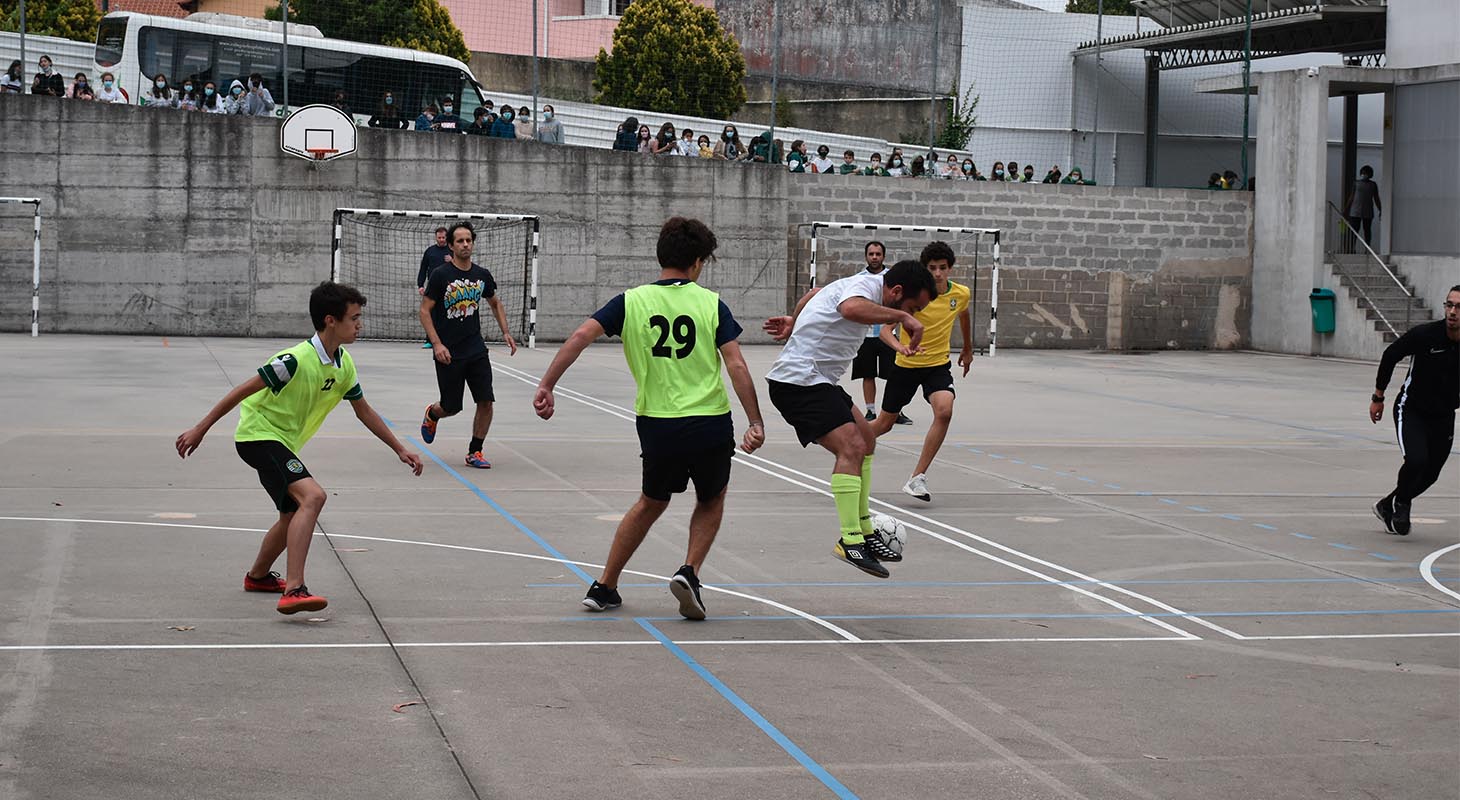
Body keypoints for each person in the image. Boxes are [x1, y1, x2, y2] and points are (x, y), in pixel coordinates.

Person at [534, 217, 766, 619]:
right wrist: (755, 420)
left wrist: (547, 385)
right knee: (711, 498)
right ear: (696, 262)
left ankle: (605, 585)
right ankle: (689, 572)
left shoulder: (631, 301)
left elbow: (579, 337)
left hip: (658, 422)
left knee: (651, 501)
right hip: (709, 420)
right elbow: (737, 365)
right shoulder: (711, 304)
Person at [174, 282, 424, 615]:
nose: (359, 324)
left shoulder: (343, 363)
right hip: (258, 436)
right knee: (314, 496)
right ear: (330, 320)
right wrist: (200, 428)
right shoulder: (293, 361)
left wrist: (398, 448)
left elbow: (363, 409)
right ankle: (294, 589)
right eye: (354, 317)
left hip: (281, 443)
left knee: (290, 513)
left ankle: (258, 576)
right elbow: (242, 391)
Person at [762, 260, 936, 578]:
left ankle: (865, 531)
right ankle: (851, 540)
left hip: (819, 381)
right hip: (798, 382)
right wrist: (901, 316)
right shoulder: (867, 289)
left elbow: (816, 292)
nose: (915, 315)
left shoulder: (863, 283)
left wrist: (793, 322)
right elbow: (851, 309)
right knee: (852, 447)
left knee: (867, 441)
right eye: (913, 306)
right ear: (895, 292)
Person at [868, 243, 973, 503]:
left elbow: (963, 315)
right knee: (884, 424)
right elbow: (884, 330)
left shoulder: (960, 294)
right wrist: (900, 347)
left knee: (945, 411)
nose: (938, 273)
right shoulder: (915, 296)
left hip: (937, 366)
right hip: (906, 367)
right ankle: (847, 446)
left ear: (950, 268)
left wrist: (968, 348)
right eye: (932, 268)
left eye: (943, 268)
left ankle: (918, 477)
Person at [418, 222, 518, 469]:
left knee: (486, 401)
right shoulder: (441, 275)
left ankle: (475, 451)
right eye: (460, 241)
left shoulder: (481, 275)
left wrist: (505, 331)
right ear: (450, 245)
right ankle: (433, 413)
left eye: (468, 240)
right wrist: (437, 344)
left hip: (475, 348)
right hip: (448, 351)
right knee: (451, 407)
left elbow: (495, 303)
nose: (465, 244)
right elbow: (424, 311)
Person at [1369, 286, 1459, 536]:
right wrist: (1378, 396)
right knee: (1417, 460)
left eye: (1459, 307)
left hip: (1443, 415)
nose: (1453, 312)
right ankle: (1403, 503)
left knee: (1431, 474)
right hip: (1412, 410)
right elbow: (1391, 354)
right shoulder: (1426, 335)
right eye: (1449, 305)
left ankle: (1387, 504)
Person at [845, 241, 911, 426]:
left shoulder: (892, 278)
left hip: (887, 335)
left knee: (894, 375)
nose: (874, 257)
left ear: (883, 256)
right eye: (871, 254)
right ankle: (871, 411)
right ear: (866, 256)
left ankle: (894, 411)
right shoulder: (858, 279)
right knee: (868, 374)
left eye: (878, 254)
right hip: (866, 336)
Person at [416, 226, 452, 348]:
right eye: (439, 237)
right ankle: (429, 340)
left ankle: (448, 340)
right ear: (436, 237)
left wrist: (452, 260)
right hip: (433, 288)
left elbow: (463, 264)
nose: (442, 240)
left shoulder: (453, 250)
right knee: (430, 313)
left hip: (450, 287)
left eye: (444, 237)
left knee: (449, 313)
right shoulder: (430, 251)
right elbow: (423, 269)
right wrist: (420, 285)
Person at [1344, 165, 1382, 251]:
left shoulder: (1373, 185)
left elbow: (1376, 198)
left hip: (1367, 211)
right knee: (1354, 231)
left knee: (1367, 231)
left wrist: (1380, 209)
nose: (1364, 175)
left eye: (1366, 173)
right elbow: (1351, 197)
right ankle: (1351, 248)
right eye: (1363, 173)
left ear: (1370, 174)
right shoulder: (1356, 183)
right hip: (1355, 211)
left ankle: (1367, 249)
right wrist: (1346, 209)